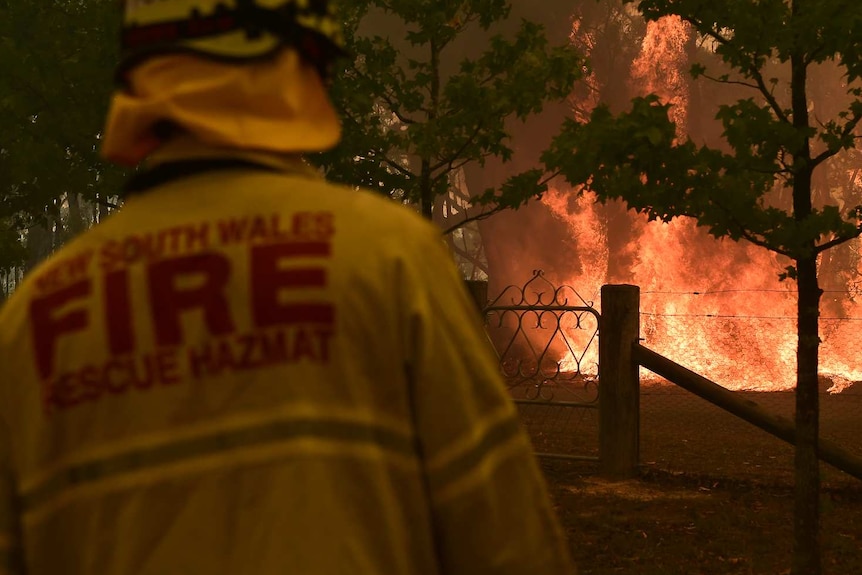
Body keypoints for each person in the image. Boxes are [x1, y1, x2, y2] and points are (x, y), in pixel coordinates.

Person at [0, 1, 576, 573]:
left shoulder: (35, 320)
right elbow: (509, 543)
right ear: (306, 77)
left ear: (139, 84)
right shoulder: (391, 260)